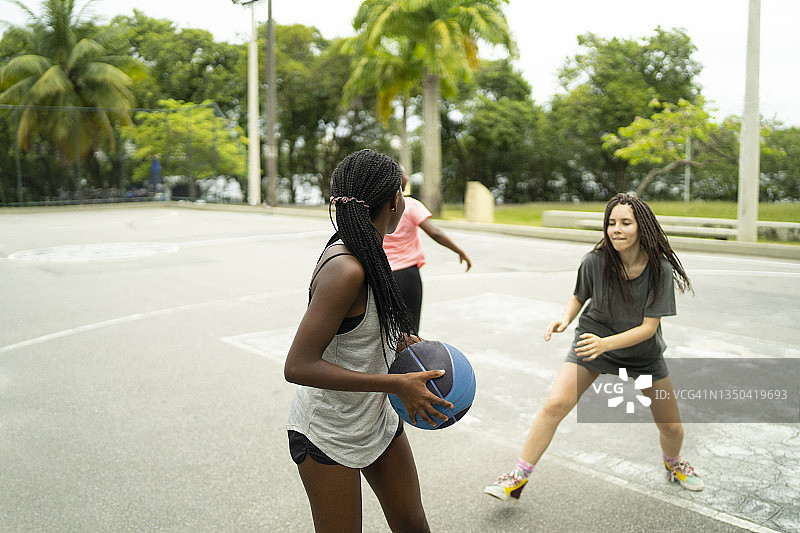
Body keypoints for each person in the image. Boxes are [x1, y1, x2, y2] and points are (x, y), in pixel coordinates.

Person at [484, 193, 703, 503]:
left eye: (626, 223)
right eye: (611, 223)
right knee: (554, 406)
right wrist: (564, 319)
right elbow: (579, 296)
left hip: (641, 353)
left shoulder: (659, 269)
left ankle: (673, 464)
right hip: (593, 340)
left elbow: (648, 328)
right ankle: (518, 477)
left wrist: (605, 345)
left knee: (672, 427)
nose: (617, 229)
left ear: (642, 227)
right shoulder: (595, 261)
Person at [284, 149, 453, 532]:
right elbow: (297, 365)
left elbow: (355, 330)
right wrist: (394, 383)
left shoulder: (369, 247)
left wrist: (399, 343)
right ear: (396, 201)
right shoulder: (345, 267)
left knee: (413, 524)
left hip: (376, 418)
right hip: (328, 431)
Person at [383, 172, 472, 332]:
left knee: (384, 329)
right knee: (409, 331)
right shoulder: (410, 204)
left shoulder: (377, 204)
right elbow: (434, 232)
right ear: (403, 183)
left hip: (381, 274)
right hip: (406, 275)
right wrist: (459, 251)